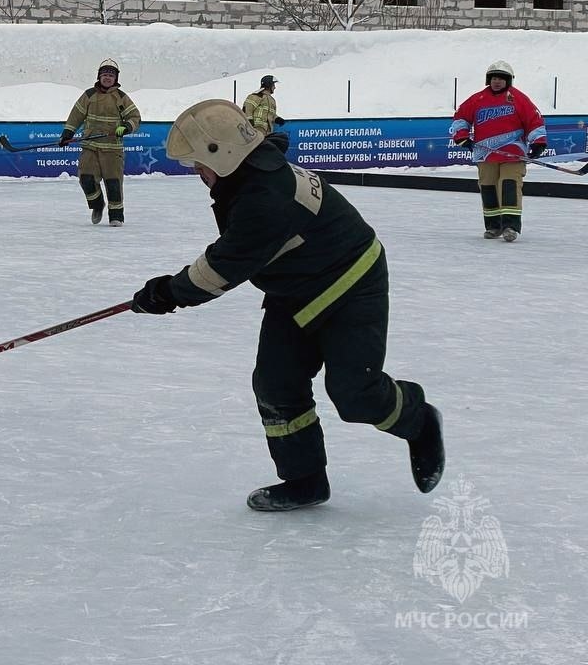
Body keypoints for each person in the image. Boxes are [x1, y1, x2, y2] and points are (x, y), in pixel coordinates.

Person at [131, 99, 444, 512]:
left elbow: (223, 268)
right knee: (276, 385)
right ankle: (305, 480)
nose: (197, 175)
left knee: (354, 395)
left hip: (350, 281)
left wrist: (167, 292)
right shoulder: (250, 174)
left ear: (222, 154)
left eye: (196, 165)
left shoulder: (264, 196)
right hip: (294, 288)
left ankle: (420, 420)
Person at [450, 60, 546, 243]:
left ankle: (510, 226)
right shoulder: (477, 99)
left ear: (508, 81)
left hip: (513, 153)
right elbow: (460, 117)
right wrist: (462, 136)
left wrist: (538, 141)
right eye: (494, 78)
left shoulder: (518, 98)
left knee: (509, 185)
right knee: (488, 187)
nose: (497, 81)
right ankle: (494, 225)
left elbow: (534, 120)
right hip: (485, 154)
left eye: (501, 78)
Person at [58, 59, 141, 226]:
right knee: (86, 179)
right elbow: (76, 115)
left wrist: (126, 126)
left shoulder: (121, 97)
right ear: (99, 77)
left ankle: (116, 216)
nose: (107, 78)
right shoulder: (89, 95)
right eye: (104, 75)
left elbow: (135, 117)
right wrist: (68, 133)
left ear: (116, 78)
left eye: (111, 75)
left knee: (113, 183)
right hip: (91, 146)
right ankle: (97, 205)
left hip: (112, 149)